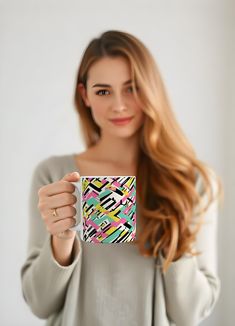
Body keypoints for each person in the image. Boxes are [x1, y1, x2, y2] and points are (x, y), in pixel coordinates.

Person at [20, 30, 224, 326]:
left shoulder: (190, 182)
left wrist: (175, 243)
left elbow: (190, 314)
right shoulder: (55, 176)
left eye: (132, 88)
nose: (119, 105)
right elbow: (39, 303)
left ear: (151, 90)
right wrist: (61, 240)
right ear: (84, 95)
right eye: (103, 91)